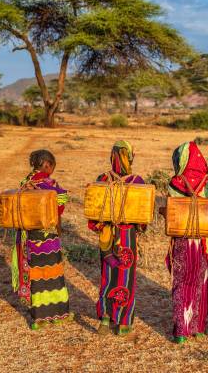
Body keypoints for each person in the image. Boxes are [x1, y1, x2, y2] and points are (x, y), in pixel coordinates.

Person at [88, 140, 145, 336]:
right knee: (125, 278)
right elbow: (143, 218)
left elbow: (93, 213)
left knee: (107, 276)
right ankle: (123, 323)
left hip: (106, 237)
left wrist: (102, 226)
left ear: (112, 157)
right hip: (126, 237)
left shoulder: (102, 178)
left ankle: (105, 319)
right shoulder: (137, 182)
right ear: (129, 157)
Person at [11, 149, 73, 330]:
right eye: (51, 166)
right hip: (48, 237)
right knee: (53, 274)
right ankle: (58, 315)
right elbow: (60, 204)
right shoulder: (50, 183)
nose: (51, 170)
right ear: (47, 164)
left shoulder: (25, 183)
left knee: (36, 276)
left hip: (29, 237)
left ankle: (38, 319)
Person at [165, 141, 208, 344]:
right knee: (200, 281)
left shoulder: (175, 183)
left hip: (182, 241)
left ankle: (181, 329)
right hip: (204, 241)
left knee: (182, 281)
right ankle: (198, 327)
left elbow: (172, 209)